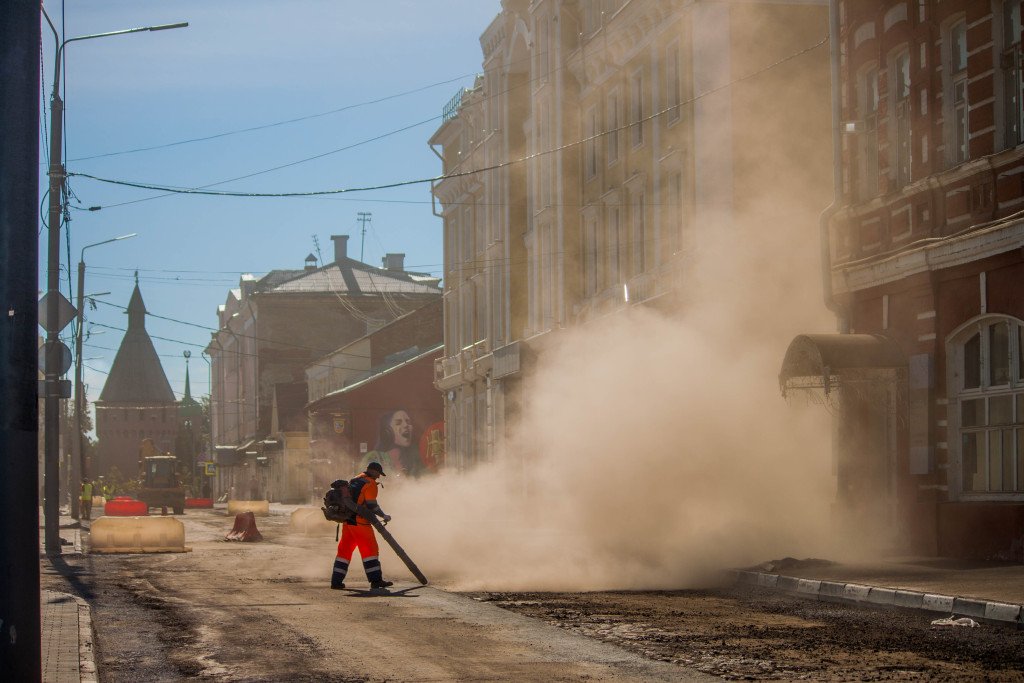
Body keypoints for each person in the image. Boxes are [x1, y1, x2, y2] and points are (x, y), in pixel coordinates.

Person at [330, 461, 394, 591]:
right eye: (378, 474)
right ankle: (376, 581)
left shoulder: (356, 478)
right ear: (373, 471)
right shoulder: (370, 484)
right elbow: (372, 505)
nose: (378, 477)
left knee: (344, 552)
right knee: (370, 550)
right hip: (361, 523)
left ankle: (336, 582)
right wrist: (384, 515)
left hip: (348, 522)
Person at [359, 409, 431, 478]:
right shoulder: (373, 458)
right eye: (398, 423)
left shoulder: (416, 458)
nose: (406, 425)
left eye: (408, 422)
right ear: (387, 432)